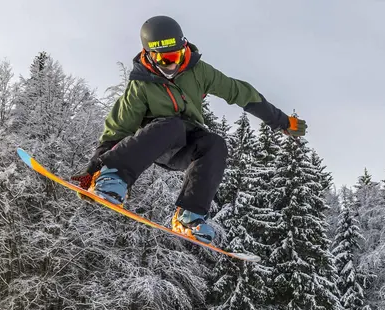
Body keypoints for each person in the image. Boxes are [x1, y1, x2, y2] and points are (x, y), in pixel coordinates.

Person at [71, 15, 307, 244]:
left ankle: (189, 217)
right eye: (164, 59)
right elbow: (118, 130)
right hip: (155, 142)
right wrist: (94, 170)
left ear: (184, 48)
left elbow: (239, 92)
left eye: (176, 55)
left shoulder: (198, 71)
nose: (171, 64)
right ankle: (112, 177)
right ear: (150, 56)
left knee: (214, 143)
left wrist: (281, 121)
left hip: (186, 144)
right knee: (170, 124)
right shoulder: (140, 84)